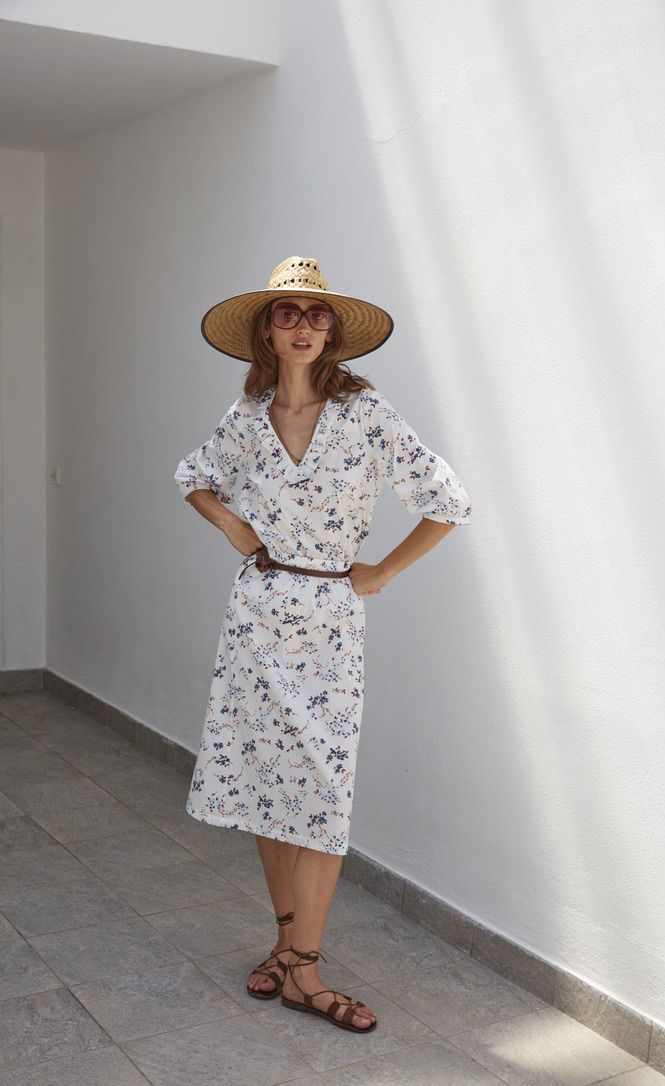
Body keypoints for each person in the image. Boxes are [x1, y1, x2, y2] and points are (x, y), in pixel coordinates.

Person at [174, 256, 472, 1034]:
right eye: (288, 313)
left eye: (317, 314)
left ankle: (305, 970)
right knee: (268, 786)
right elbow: (193, 476)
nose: (303, 326)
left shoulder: (365, 413)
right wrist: (230, 523)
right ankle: (286, 949)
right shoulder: (247, 417)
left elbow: (447, 500)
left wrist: (383, 572)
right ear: (267, 332)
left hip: (331, 621)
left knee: (323, 797)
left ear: (333, 331)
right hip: (256, 613)